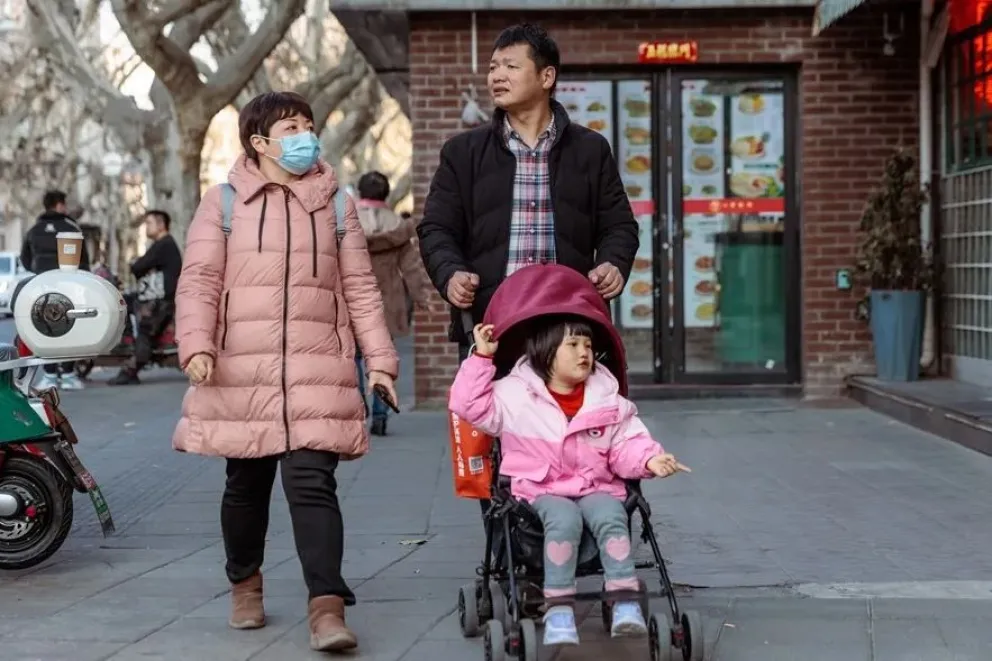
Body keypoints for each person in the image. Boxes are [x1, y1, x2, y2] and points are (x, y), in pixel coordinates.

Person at [173, 91, 399, 652]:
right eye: (290, 126)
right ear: (260, 142)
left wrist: (381, 361)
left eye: (308, 124)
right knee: (245, 487)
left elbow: (361, 289)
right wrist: (196, 345)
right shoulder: (222, 203)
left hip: (317, 365)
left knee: (312, 484)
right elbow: (199, 280)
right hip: (240, 368)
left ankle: (327, 607)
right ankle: (244, 582)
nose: (305, 134)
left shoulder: (336, 204)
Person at [417, 23, 640, 528]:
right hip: (494, 325)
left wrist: (612, 263)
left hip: (568, 322)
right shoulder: (464, 152)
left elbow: (620, 226)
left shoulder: (589, 150)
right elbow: (436, 229)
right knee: (494, 440)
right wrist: (450, 274)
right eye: (492, 67)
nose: (496, 75)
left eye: (510, 66)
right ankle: (516, 552)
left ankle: (582, 535)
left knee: (578, 436)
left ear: (546, 75)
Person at [450, 317, 689, 646]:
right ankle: (559, 609)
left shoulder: (606, 399)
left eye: (588, 346)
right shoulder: (514, 395)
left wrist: (649, 459)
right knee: (563, 519)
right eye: (573, 345)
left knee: (612, 515)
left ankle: (623, 601)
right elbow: (468, 406)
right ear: (545, 352)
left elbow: (626, 444)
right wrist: (481, 358)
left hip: (594, 484)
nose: (584, 353)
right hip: (540, 489)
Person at [354, 171, 432, 435]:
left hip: (351, 301)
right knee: (382, 360)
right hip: (386, 303)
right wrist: (422, 298)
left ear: (360, 192)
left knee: (352, 357)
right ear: (386, 194)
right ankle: (380, 413)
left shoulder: (345, 224)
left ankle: (356, 400)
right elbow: (410, 268)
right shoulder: (397, 226)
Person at [20, 190, 90, 390]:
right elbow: (83, 259)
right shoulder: (71, 228)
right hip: (69, 288)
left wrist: (39, 272)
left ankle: (49, 375)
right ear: (60, 205)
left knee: (45, 327)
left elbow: (25, 259)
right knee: (70, 327)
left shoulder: (34, 230)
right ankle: (68, 374)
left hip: (42, 288)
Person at [109, 210, 182, 385]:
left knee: (145, 332)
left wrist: (135, 264)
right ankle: (125, 339)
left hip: (158, 300)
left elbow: (140, 266)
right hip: (154, 296)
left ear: (161, 224)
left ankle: (130, 369)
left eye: (149, 223)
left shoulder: (163, 244)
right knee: (122, 301)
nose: (146, 227)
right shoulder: (163, 244)